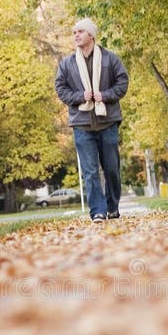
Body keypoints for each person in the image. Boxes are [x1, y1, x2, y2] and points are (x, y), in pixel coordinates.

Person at [55, 18, 129, 222]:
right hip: (81, 124)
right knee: (90, 171)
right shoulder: (67, 63)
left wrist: (104, 95)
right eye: (74, 32)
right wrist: (80, 97)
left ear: (91, 35)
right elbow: (60, 89)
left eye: (80, 31)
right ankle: (97, 210)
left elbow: (122, 82)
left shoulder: (110, 59)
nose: (76, 35)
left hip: (108, 122)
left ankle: (112, 207)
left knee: (112, 169)